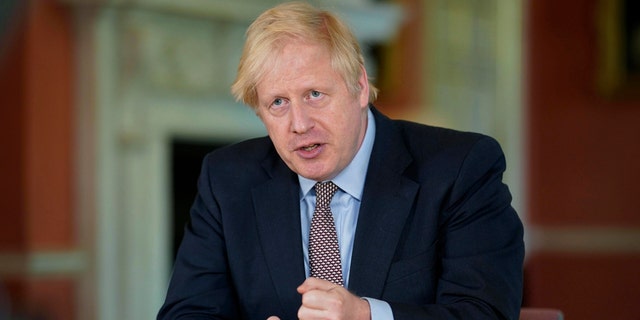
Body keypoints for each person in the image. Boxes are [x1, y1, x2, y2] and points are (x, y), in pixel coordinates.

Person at [157, 2, 524, 319]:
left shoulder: (460, 168)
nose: (299, 125)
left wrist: (367, 315)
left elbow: (485, 311)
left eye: (314, 94)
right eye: (278, 103)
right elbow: (187, 312)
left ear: (360, 87)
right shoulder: (226, 180)